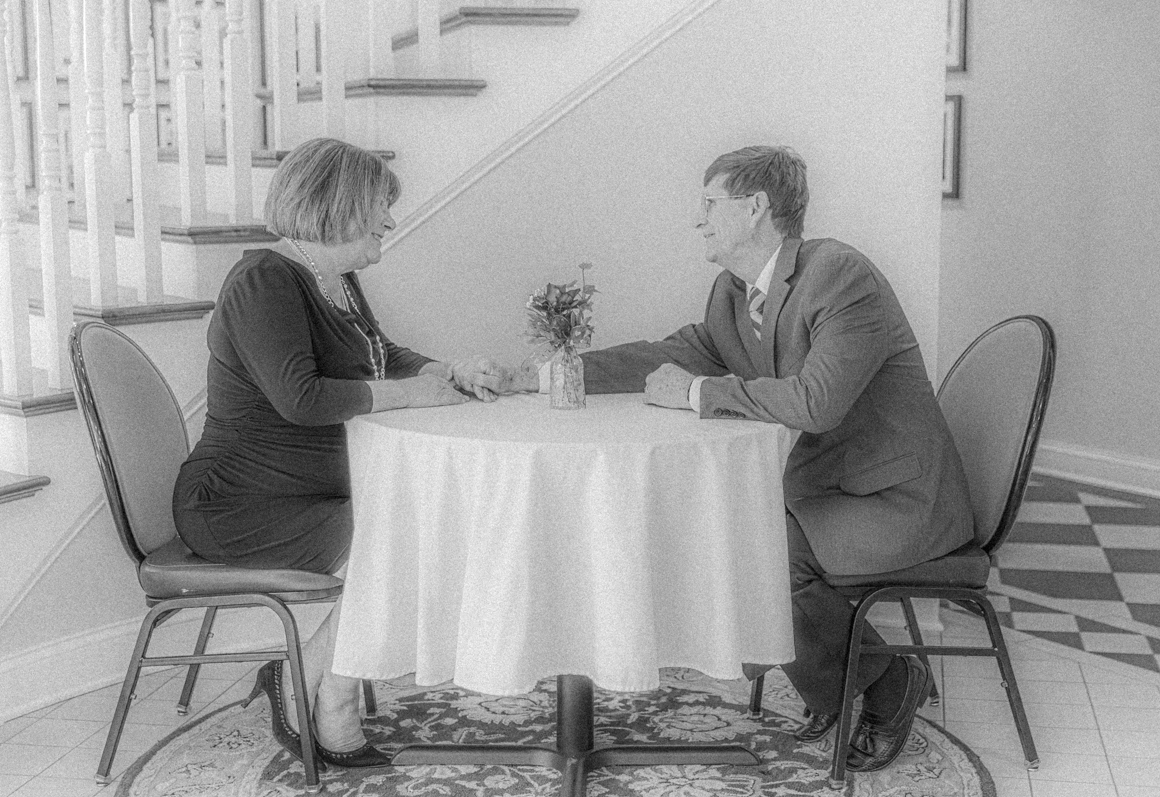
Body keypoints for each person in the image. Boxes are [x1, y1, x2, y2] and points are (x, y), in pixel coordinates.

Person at [504, 145, 973, 773]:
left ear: (754, 208)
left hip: (900, 501)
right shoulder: (731, 293)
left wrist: (697, 393)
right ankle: (840, 684)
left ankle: (889, 687)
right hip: (830, 493)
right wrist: (545, 374)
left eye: (709, 204)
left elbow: (816, 401)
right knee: (734, 541)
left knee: (756, 557)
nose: (698, 220)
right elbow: (671, 354)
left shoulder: (840, 276)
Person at [173, 138, 503, 769]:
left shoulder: (336, 280)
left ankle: (312, 680)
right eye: (382, 204)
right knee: (402, 536)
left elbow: (381, 356)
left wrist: (451, 371)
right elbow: (301, 397)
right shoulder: (263, 279)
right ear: (342, 205)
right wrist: (413, 397)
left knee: (423, 525)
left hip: (307, 494)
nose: (390, 219)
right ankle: (329, 698)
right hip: (239, 506)